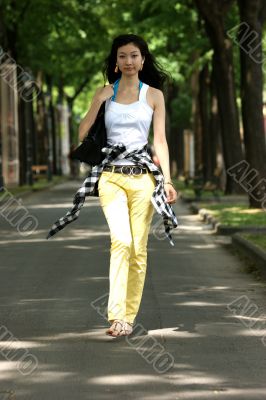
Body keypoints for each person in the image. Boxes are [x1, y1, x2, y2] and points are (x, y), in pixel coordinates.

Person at [46, 33, 178, 338]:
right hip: (110, 177)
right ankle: (116, 315)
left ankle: (128, 316)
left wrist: (167, 180)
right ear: (116, 62)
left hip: (143, 178)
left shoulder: (154, 95)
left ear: (143, 60)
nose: (128, 61)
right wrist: (99, 102)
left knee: (139, 249)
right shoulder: (105, 91)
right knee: (121, 241)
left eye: (134, 55)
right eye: (122, 56)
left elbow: (159, 140)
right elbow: (83, 132)